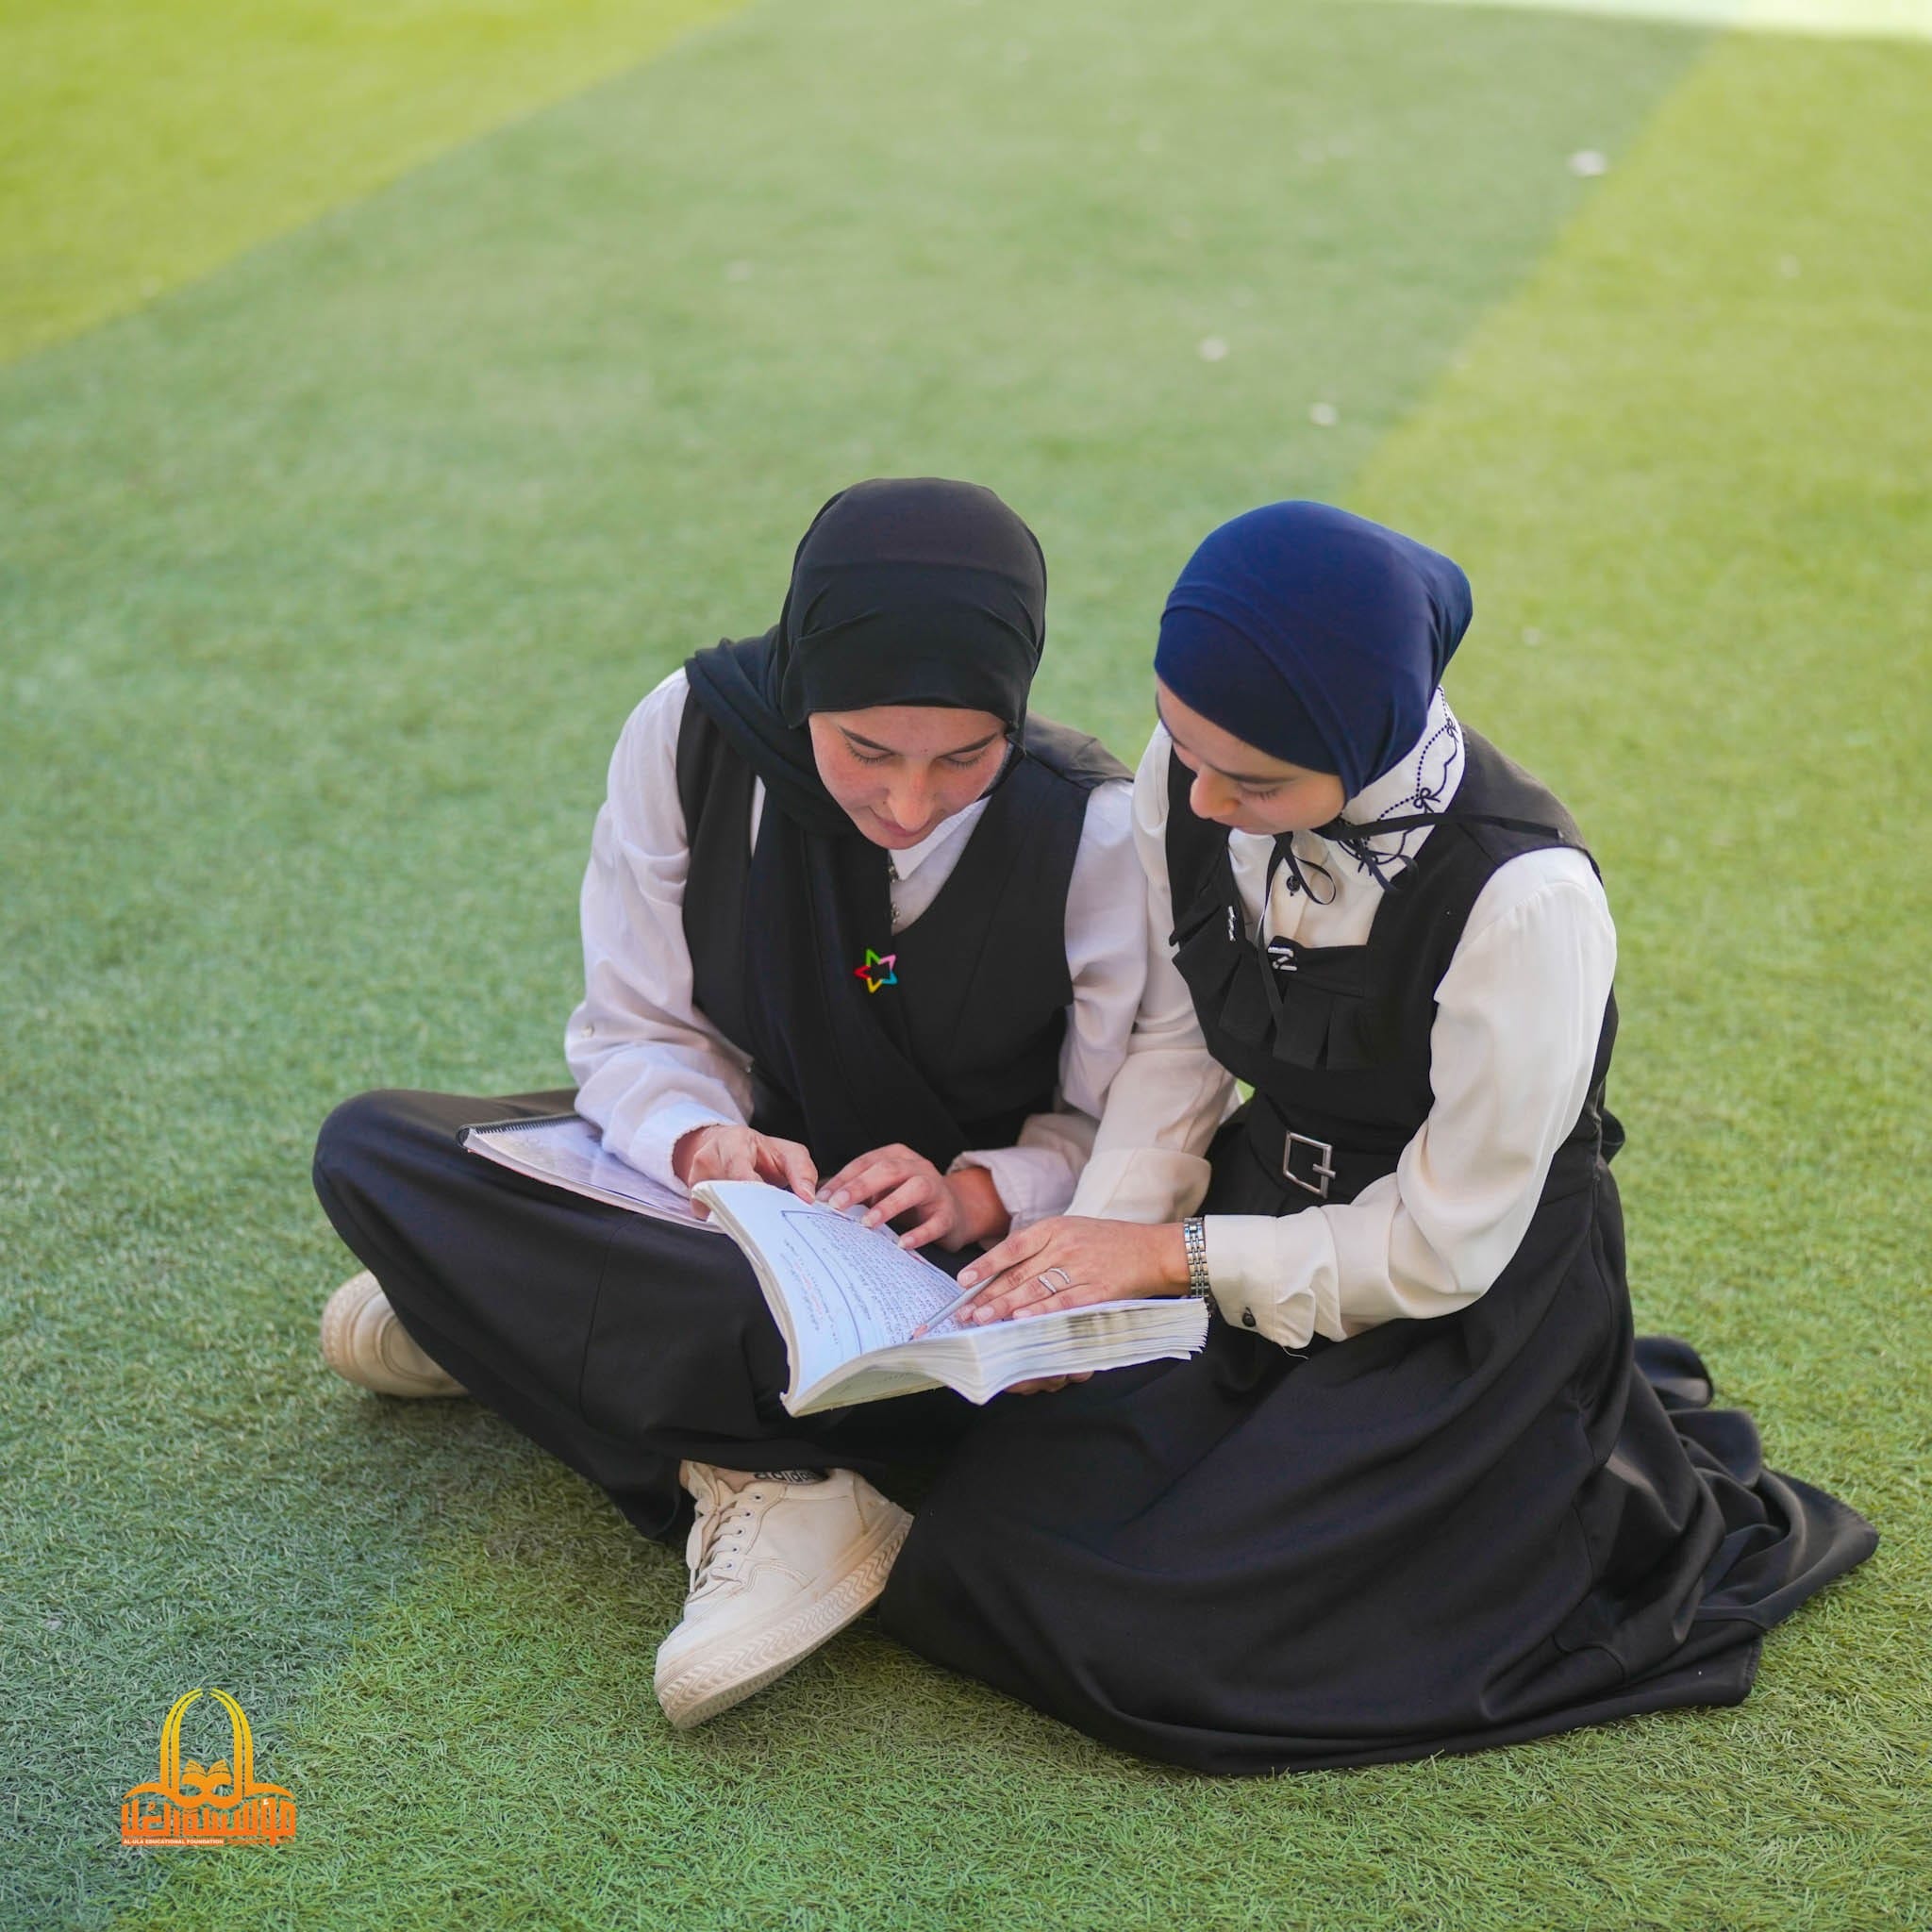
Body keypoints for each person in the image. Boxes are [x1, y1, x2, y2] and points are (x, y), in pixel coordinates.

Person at [875, 500, 1878, 1774]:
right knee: (983, 1520)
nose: (1207, 799)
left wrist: (1170, 1259)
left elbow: (1445, 1248)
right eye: (1188, 749)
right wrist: (1099, 1255)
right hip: (1252, 1214)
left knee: (1158, 1633)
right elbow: (1184, 1040)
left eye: (1256, 783)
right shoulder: (1192, 773)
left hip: (1456, 1301)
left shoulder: (1527, 901)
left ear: (1362, 740)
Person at [311, 477, 1143, 1729]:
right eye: (867, 751)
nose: (908, 804)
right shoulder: (693, 736)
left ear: (1014, 714)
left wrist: (979, 1188)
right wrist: (704, 1141)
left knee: (1014, 1402)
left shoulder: (1090, 828)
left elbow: (1110, 1128)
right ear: (802, 683)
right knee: (373, 1148)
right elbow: (635, 1030)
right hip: (731, 1215)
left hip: (935, 1274)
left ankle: (548, 1337)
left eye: (964, 758)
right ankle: (745, 1442)